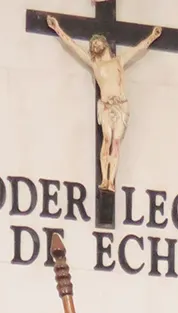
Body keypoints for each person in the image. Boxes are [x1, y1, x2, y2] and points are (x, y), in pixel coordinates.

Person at [46, 17, 162, 191]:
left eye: (97, 42)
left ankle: (111, 181)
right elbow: (73, 46)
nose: (94, 46)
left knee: (116, 142)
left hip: (120, 105)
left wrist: (153, 36)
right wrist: (57, 29)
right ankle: (105, 179)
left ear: (105, 44)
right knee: (106, 139)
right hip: (106, 106)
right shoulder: (95, 64)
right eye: (92, 45)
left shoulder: (118, 61)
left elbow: (139, 48)